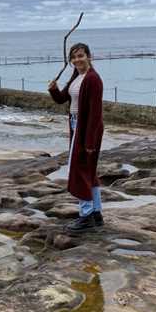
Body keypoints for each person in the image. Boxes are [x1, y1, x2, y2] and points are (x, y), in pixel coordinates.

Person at [47, 43, 105, 232]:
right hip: (76, 126)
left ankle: (86, 216)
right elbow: (63, 98)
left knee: (79, 171)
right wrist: (54, 89)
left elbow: (96, 114)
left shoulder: (93, 79)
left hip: (87, 130)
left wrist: (89, 141)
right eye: (73, 57)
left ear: (89, 56)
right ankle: (96, 213)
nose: (77, 60)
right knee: (88, 172)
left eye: (80, 56)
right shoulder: (77, 76)